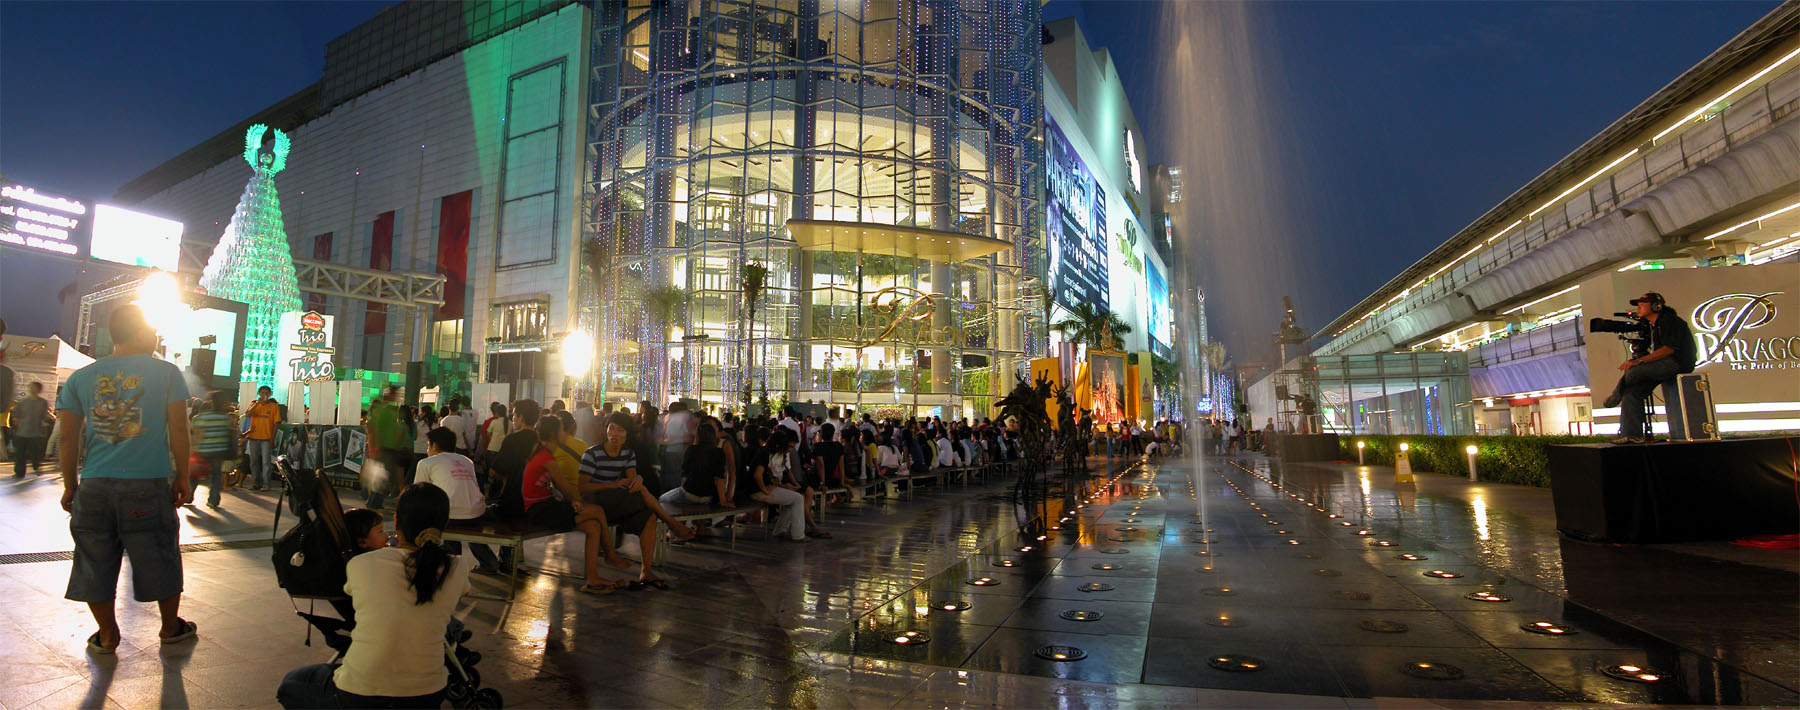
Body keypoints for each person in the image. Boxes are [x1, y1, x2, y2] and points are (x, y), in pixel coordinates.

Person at [55, 305, 196, 655]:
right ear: (137, 332)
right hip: (147, 484)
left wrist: (71, 484)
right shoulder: (166, 373)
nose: (155, 336)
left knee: (93, 559)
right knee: (159, 554)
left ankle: (106, 634)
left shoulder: (81, 378)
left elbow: (68, 438)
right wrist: (182, 474)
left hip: (95, 485)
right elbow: (179, 427)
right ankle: (169, 628)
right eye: (150, 328)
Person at [277, 483, 472, 709]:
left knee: (290, 684)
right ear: (444, 524)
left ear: (396, 521)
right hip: (428, 694)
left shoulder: (362, 564)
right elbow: (462, 589)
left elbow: (353, 592)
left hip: (360, 694)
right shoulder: (457, 567)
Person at [576, 414, 696, 590]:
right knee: (642, 492)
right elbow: (583, 488)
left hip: (617, 501)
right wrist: (614, 484)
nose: (614, 434)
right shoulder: (592, 454)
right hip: (597, 502)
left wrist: (637, 479)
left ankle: (646, 571)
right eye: (611, 428)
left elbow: (632, 480)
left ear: (627, 434)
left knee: (649, 516)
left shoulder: (627, 453)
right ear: (606, 430)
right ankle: (672, 523)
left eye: (620, 430)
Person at [520, 417, 627, 594]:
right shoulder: (548, 459)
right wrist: (577, 501)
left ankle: (592, 579)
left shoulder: (541, 451)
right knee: (597, 511)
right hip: (540, 511)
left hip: (543, 507)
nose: (566, 433)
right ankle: (610, 555)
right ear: (555, 434)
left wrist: (575, 501)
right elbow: (567, 488)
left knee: (593, 527)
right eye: (562, 430)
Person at [1600, 292, 1698, 444]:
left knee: (1633, 371)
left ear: (1656, 306)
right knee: (1632, 392)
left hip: (1677, 363)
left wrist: (1639, 361)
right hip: (1665, 365)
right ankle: (1632, 435)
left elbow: (1668, 349)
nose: (1638, 307)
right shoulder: (1655, 325)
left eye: (1642, 304)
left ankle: (1615, 395)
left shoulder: (1669, 321)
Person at [417, 427, 503, 574]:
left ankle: (453, 563)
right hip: (478, 512)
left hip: (451, 516)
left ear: (435, 446)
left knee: (445, 514)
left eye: (428, 445)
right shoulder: (467, 461)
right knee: (466, 519)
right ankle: (489, 562)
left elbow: (419, 494)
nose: (427, 449)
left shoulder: (426, 463)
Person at [748, 432, 809, 543]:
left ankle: (781, 529)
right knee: (798, 498)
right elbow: (758, 475)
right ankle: (798, 535)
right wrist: (765, 490)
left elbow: (769, 477)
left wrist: (781, 486)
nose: (790, 449)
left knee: (794, 499)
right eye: (789, 446)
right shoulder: (765, 453)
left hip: (763, 488)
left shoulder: (771, 453)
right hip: (758, 490)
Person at [363, 386, 410, 509]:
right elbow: (374, 430)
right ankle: (374, 504)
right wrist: (375, 448)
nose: (398, 397)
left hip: (388, 449)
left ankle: (374, 502)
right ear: (390, 395)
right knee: (381, 478)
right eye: (396, 394)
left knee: (381, 478)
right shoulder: (384, 411)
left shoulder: (391, 410)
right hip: (384, 449)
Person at [661, 422, 728, 507]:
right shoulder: (719, 452)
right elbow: (720, 479)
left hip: (690, 493)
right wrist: (723, 501)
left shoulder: (691, 450)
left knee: (662, 499)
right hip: (708, 495)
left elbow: (685, 471)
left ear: (698, 436)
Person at [189, 390, 238, 508]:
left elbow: (196, 435)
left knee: (195, 474)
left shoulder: (200, 418)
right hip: (219, 451)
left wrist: (193, 449)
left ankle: (188, 496)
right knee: (216, 476)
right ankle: (213, 500)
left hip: (202, 450)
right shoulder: (225, 418)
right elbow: (229, 434)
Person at [243, 385, 281, 491]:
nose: (264, 394)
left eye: (267, 393)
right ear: (259, 393)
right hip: (253, 436)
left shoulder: (274, 406)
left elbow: (276, 423)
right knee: (253, 461)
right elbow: (247, 414)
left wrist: (272, 439)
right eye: (262, 392)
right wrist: (257, 404)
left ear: (270, 394)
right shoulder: (254, 403)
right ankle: (256, 483)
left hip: (266, 438)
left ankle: (266, 484)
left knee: (266, 462)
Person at [10, 380, 51, 478]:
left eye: (34, 387)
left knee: (35, 453)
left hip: (35, 432)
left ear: (39, 390)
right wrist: (17, 422)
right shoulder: (23, 402)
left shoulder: (42, 402)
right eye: (30, 387)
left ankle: (36, 467)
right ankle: (19, 473)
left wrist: (45, 423)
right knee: (20, 454)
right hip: (22, 432)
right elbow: (16, 415)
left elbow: (44, 416)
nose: (31, 389)